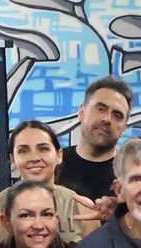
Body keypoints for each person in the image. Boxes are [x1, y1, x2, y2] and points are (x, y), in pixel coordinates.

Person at [0, 120, 104, 246]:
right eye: (23, 151)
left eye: (43, 148)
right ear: (13, 160)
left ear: (59, 155)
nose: (34, 158)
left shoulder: (82, 208)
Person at [56, 75, 133, 203]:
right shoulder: (55, 164)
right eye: (101, 109)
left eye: (117, 115)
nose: (107, 119)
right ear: (81, 112)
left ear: (124, 127)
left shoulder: (132, 172)